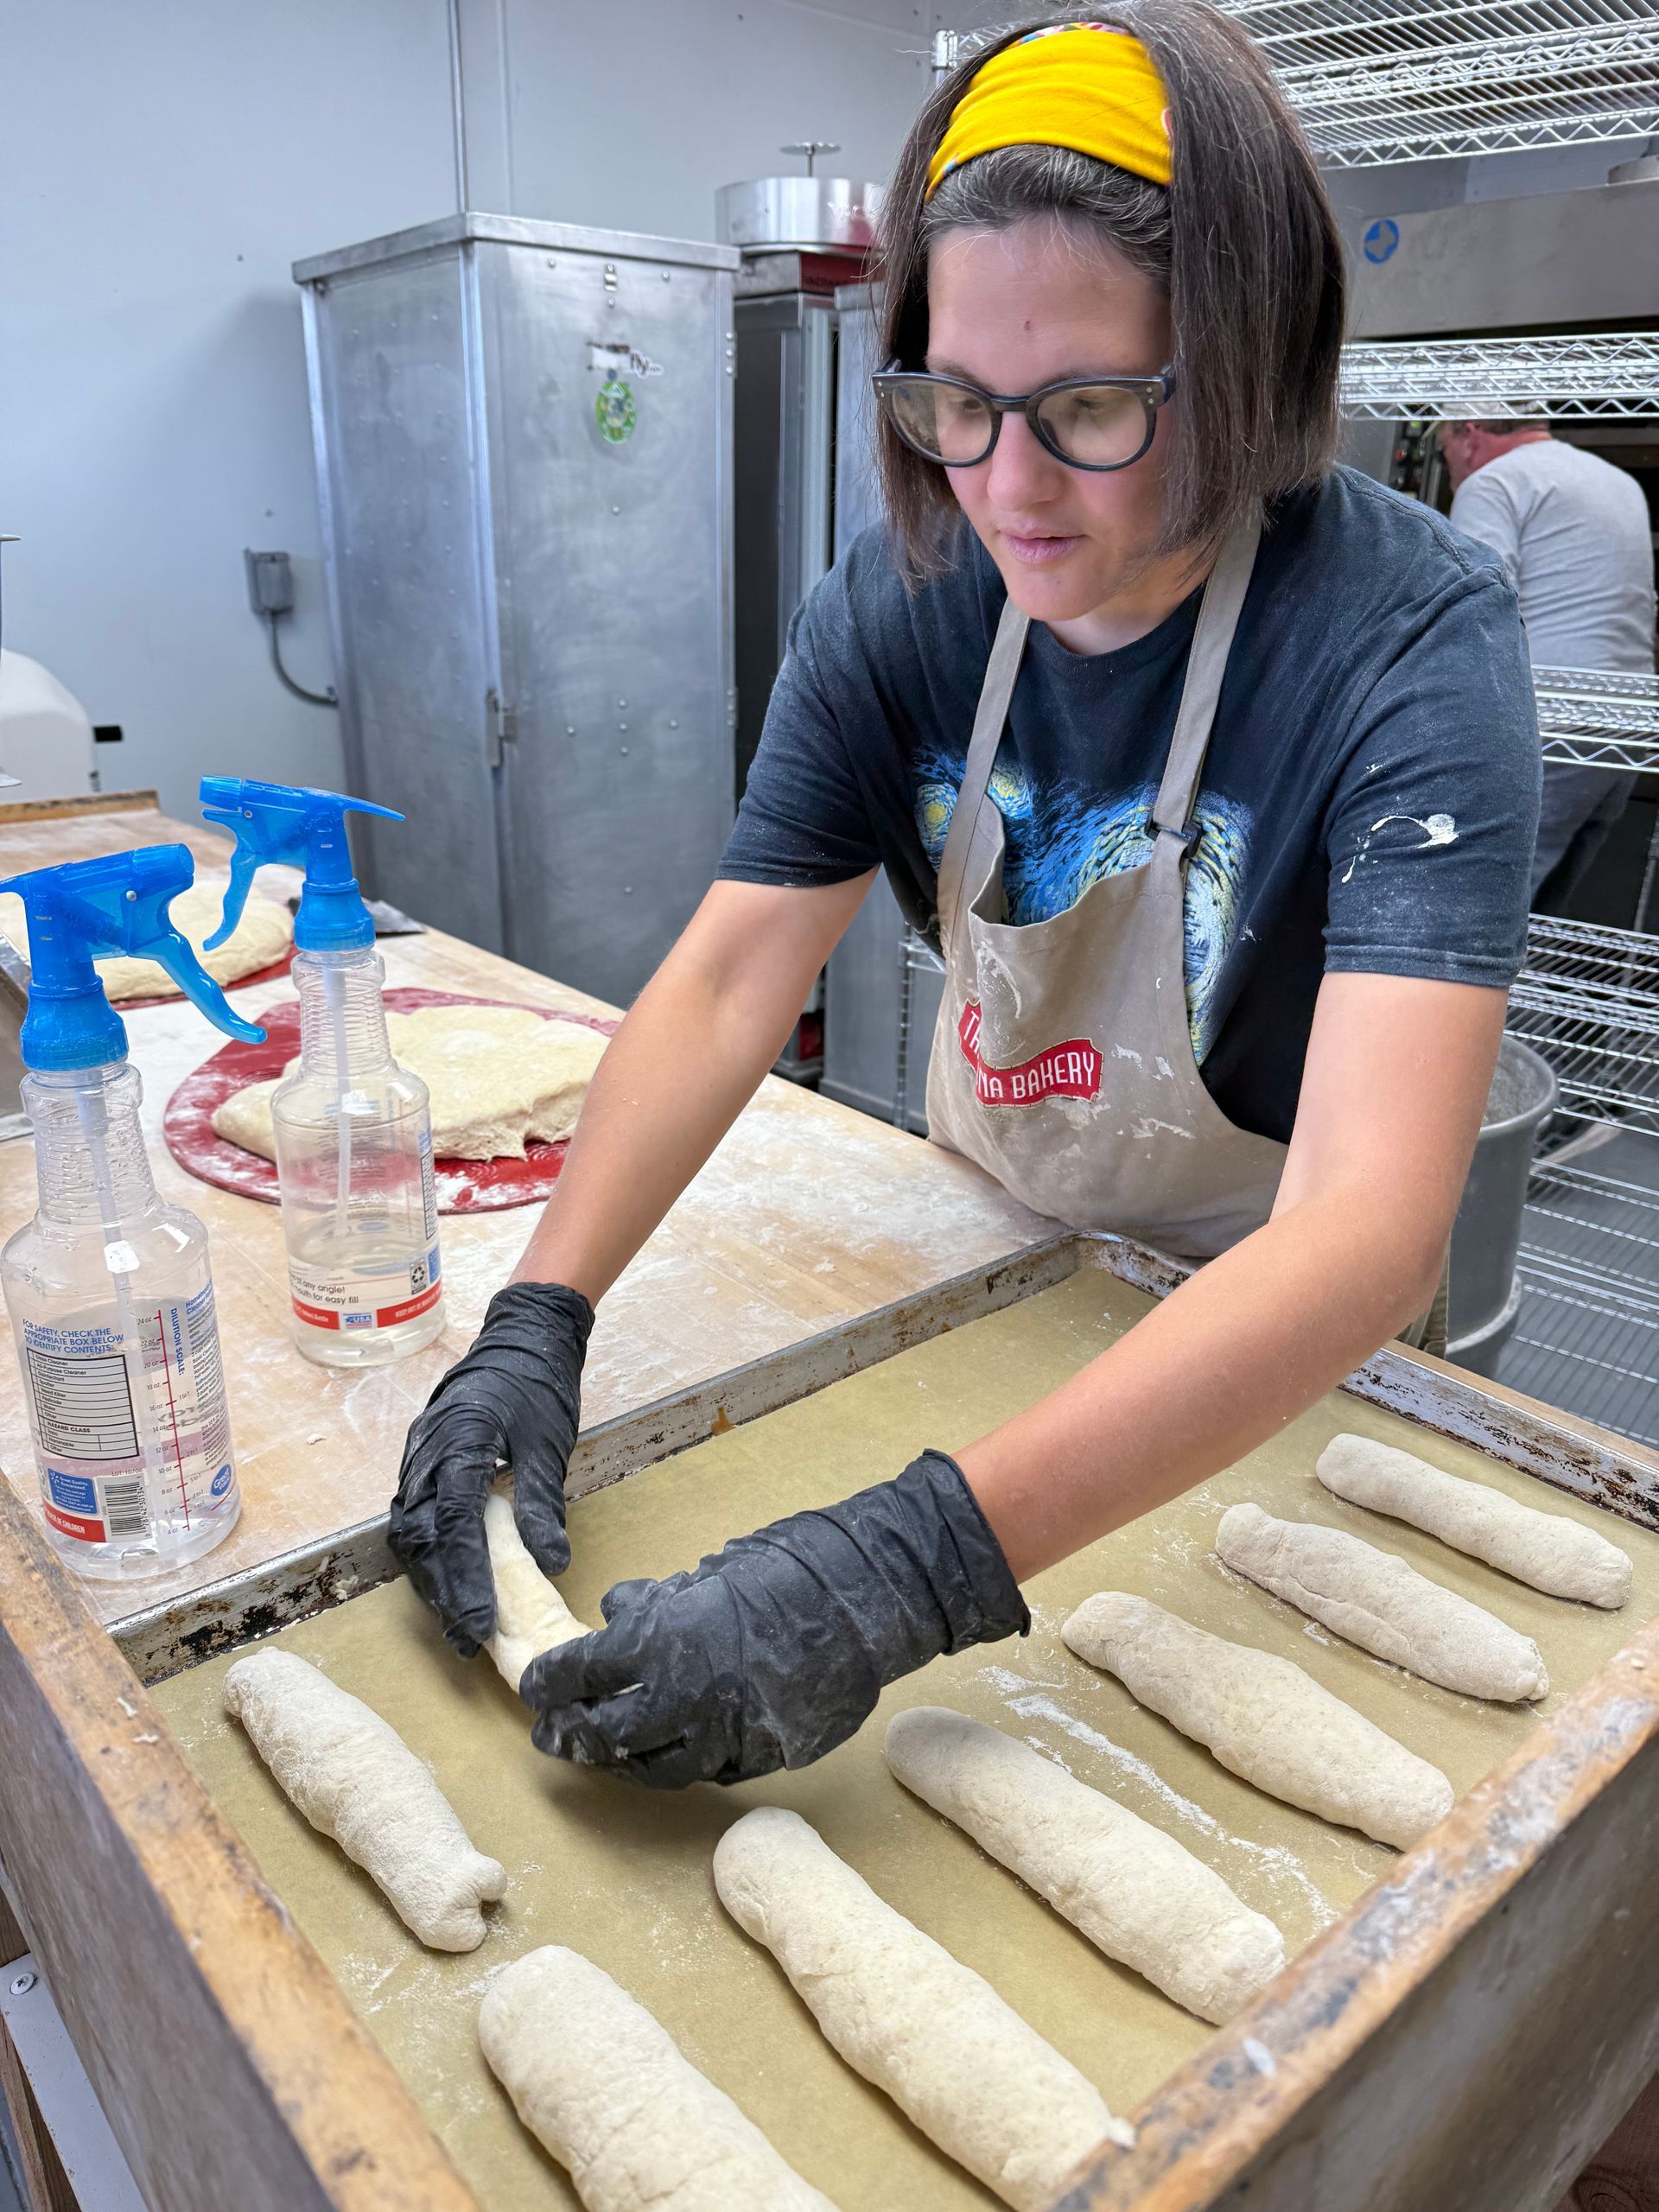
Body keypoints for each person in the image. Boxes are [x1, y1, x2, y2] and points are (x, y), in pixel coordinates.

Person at [389, 3, 1541, 1791]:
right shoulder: (903, 592)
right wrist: (540, 1316)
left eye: (1087, 407)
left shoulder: (1406, 640)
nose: (1002, 484)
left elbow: (1365, 1224)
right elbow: (718, 988)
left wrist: (903, 1567)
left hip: (1261, 1351)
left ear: (1240, 365)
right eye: (955, 402)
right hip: (989, 1262)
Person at [1440, 416, 1656, 912]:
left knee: (1476, 913)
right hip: (1623, 730)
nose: (1448, 463)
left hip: (1546, 725)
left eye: (1444, 447)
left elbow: (1475, 615)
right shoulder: (1616, 480)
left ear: (1469, 435)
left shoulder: (1493, 483)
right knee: (1540, 920)